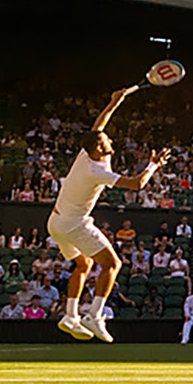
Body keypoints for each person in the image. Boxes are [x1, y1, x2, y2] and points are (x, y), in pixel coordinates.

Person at [47, 86, 168, 343]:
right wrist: (153, 165)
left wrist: (115, 102)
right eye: (105, 141)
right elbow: (137, 184)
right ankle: (95, 315)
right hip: (73, 224)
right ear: (99, 149)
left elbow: (99, 124)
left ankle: (70, 316)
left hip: (55, 222)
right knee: (113, 265)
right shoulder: (96, 172)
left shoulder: (86, 152)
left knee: (83, 264)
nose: (109, 140)